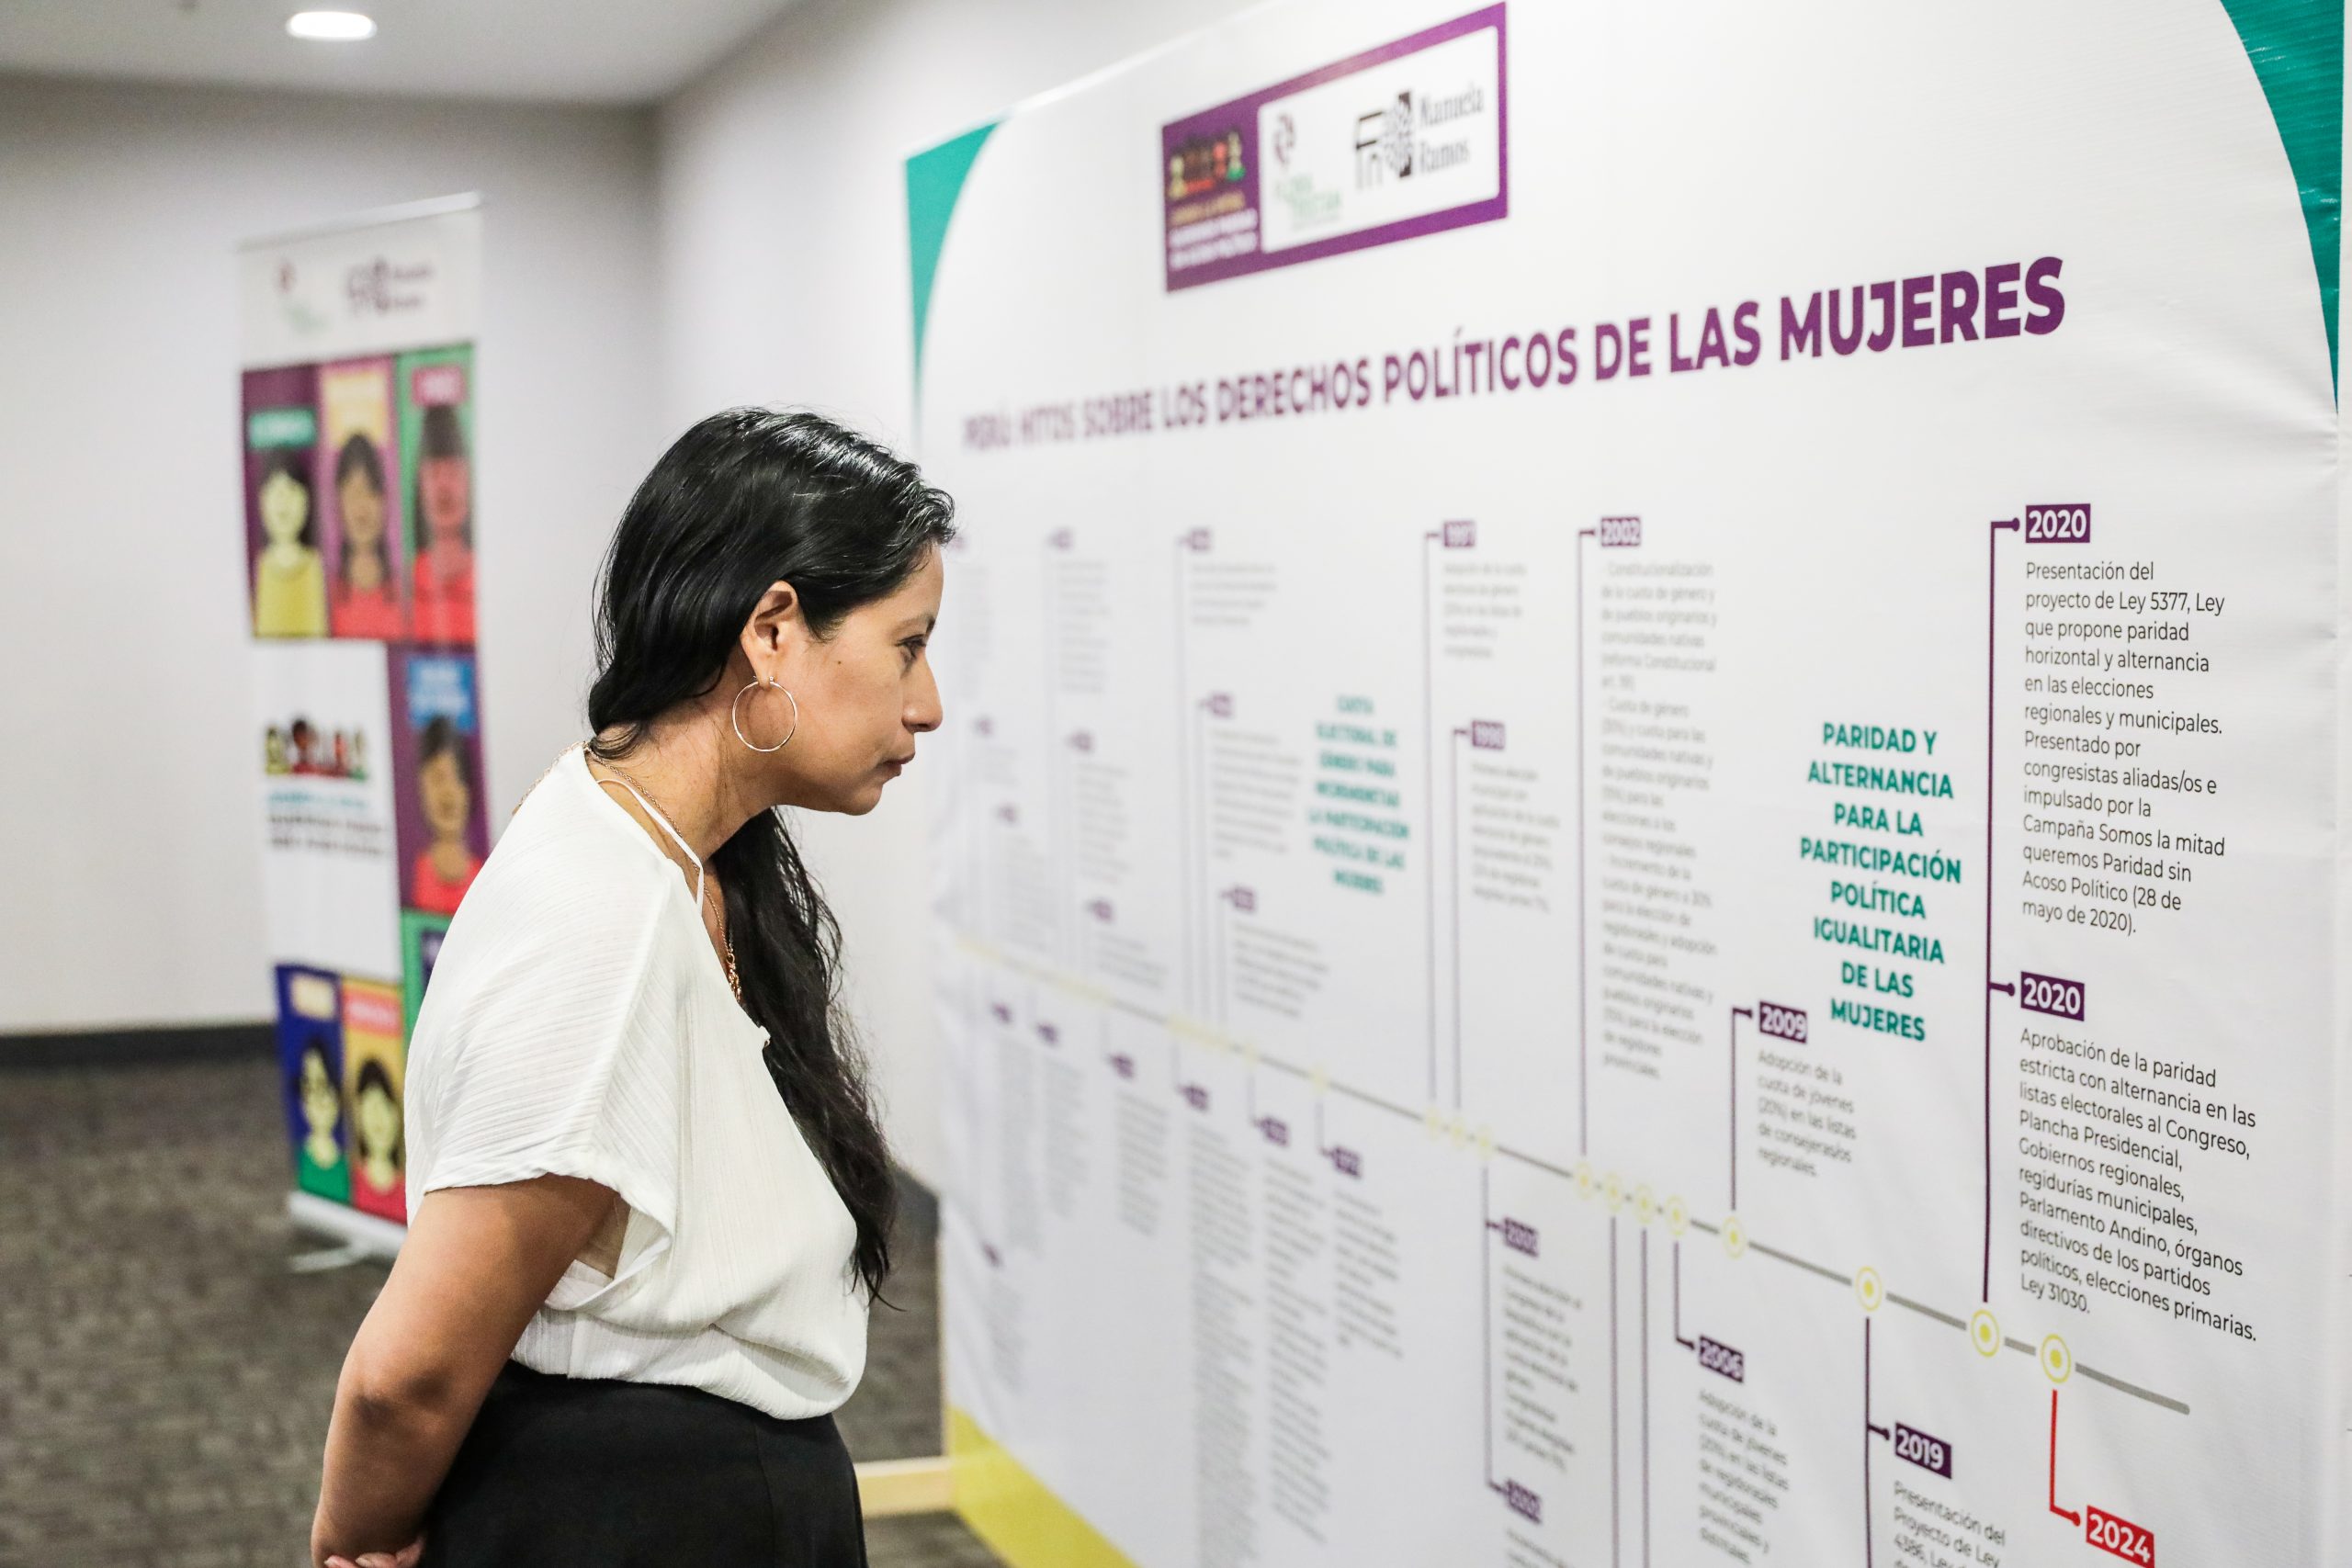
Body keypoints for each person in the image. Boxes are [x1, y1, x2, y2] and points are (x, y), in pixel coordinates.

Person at [309, 408, 951, 1568]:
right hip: (641, 1524)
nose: (927, 703)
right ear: (772, 630)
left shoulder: (680, 856)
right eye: (907, 646)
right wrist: (355, 1540)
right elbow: (407, 1375)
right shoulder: (599, 922)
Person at [409, 404, 475, 645]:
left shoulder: (485, 577)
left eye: (454, 471)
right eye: (434, 472)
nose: (444, 487)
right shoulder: (405, 584)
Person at [331, 432, 404, 639]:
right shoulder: (326, 595)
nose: (362, 509)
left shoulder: (405, 592)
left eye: (371, 492)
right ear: (338, 503)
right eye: (353, 493)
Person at [406, 716, 482, 915]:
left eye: (459, 779)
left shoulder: (486, 878)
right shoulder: (410, 875)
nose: (449, 792)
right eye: (438, 778)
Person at [254, 448, 328, 637]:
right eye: (275, 492)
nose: (283, 502)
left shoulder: (316, 565)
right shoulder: (260, 567)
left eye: (291, 491)